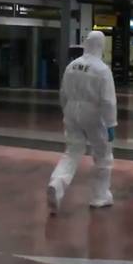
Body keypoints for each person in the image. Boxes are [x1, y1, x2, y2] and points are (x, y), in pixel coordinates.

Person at [47, 30, 117, 215]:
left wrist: (66, 111)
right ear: (101, 46)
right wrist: (111, 124)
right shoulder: (102, 69)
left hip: (71, 111)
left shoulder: (72, 65)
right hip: (93, 114)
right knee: (102, 155)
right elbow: (108, 101)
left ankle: (57, 184)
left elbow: (63, 93)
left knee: (72, 151)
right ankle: (100, 196)